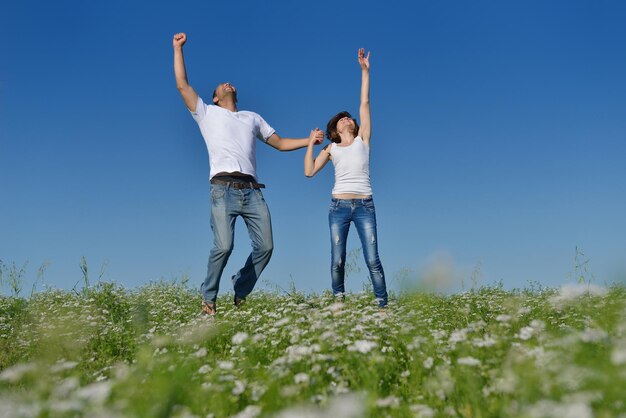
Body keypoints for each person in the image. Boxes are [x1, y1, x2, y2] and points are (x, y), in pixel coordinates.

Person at [173, 32, 324, 315]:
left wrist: (308, 140)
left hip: (253, 191)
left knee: (266, 246)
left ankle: (240, 289)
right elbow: (182, 85)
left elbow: (278, 143)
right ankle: (208, 300)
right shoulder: (206, 113)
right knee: (224, 246)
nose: (229, 83)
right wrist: (177, 49)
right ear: (216, 98)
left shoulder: (252, 118)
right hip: (222, 188)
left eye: (231, 84)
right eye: (222, 86)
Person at [304, 48, 388, 309]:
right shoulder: (331, 149)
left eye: (348, 117)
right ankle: (339, 302)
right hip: (338, 207)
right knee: (337, 259)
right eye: (341, 119)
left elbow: (364, 103)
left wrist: (365, 71)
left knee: (372, 258)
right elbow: (309, 171)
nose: (347, 119)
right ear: (334, 130)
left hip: (365, 205)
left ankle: (382, 306)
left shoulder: (364, 139)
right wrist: (310, 144)